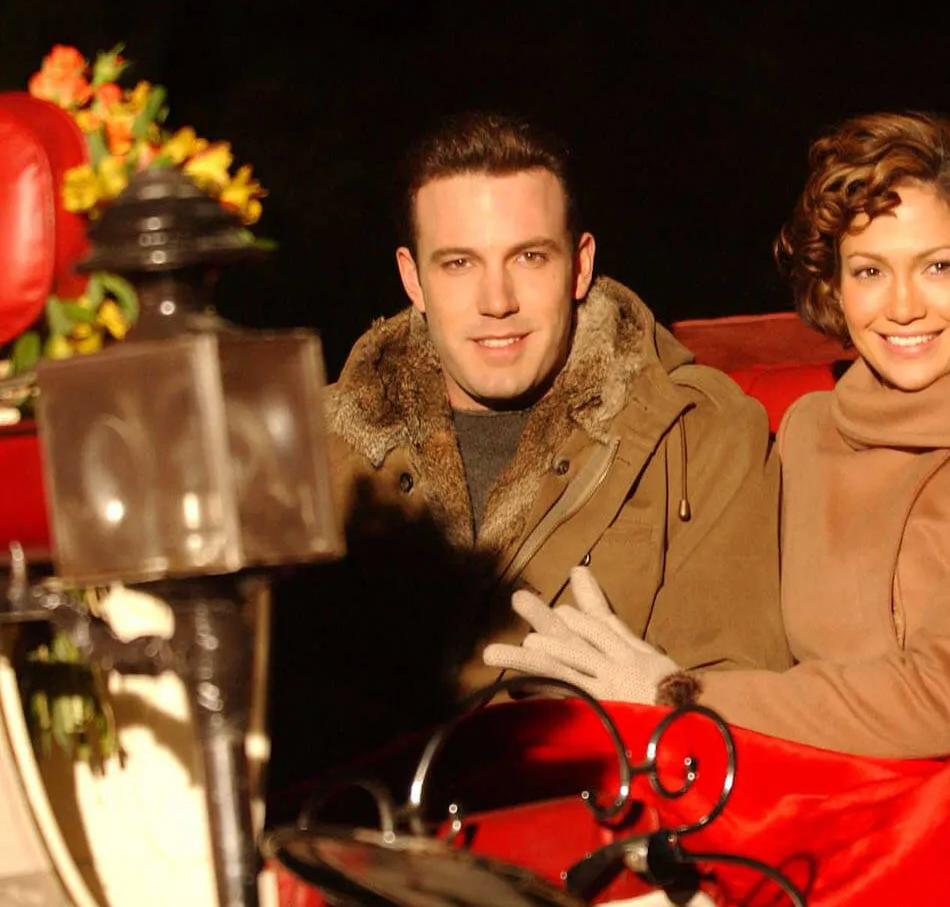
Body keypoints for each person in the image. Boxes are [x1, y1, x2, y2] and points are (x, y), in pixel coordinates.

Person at [484, 112, 950, 758]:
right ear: (836, 289)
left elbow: (941, 701)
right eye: (870, 272)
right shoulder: (811, 430)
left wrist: (672, 695)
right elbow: (748, 639)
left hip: (937, 807)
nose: (902, 306)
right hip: (778, 773)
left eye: (937, 267)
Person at [269, 113, 790, 795]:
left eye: (529, 257)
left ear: (580, 265)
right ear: (413, 278)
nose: (497, 302)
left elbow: (740, 713)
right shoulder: (319, 447)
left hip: (595, 845)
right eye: (459, 263)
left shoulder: (698, 431)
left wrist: (661, 690)